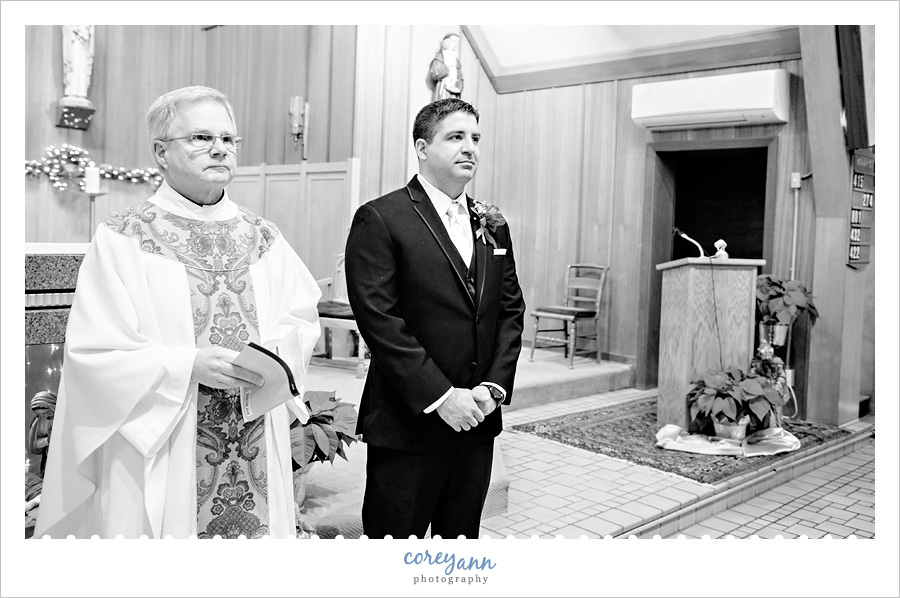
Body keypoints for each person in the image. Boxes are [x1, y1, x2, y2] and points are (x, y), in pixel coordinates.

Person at [34, 86, 321, 539]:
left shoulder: (263, 237)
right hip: (167, 433)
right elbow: (96, 351)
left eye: (228, 139)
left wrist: (270, 359)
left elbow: (301, 318)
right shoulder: (124, 237)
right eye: (201, 138)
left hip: (254, 426)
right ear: (160, 152)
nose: (219, 149)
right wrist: (188, 365)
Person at [345, 98, 525, 539]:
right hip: (410, 422)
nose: (470, 147)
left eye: (475, 138)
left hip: (477, 419)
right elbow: (379, 319)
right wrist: (442, 397)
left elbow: (509, 309)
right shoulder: (382, 217)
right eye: (455, 137)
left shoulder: (492, 223)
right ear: (423, 148)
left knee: (458, 548)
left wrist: (494, 386)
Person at [429, 33, 464, 102]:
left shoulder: (456, 60)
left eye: (457, 42)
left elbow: (460, 77)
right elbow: (436, 73)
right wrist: (448, 67)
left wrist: (458, 87)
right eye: (453, 41)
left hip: (454, 89)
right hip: (443, 88)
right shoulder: (440, 57)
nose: (455, 44)